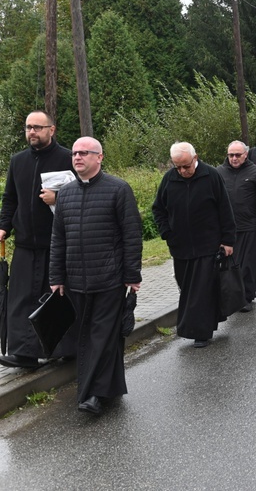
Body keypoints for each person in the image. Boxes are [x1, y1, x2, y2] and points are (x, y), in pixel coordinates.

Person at [49, 137, 142, 414]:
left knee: (100, 336)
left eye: (84, 153)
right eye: (75, 153)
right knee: (95, 336)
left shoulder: (118, 189)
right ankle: (109, 389)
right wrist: (57, 277)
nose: (77, 157)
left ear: (99, 157)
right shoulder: (64, 193)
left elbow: (131, 235)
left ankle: (91, 395)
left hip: (109, 279)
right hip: (76, 281)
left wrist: (131, 274)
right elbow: (58, 239)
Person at [0, 110, 77, 369]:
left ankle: (65, 350)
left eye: (38, 127)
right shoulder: (18, 161)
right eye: (28, 127)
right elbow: (10, 198)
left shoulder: (68, 158)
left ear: (51, 130)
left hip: (57, 244)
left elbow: (86, 193)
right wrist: (3, 227)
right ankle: (24, 353)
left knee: (57, 298)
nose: (32, 132)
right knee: (20, 299)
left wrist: (59, 200)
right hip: (24, 244)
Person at [153, 142, 236, 348]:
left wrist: (228, 240)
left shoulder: (211, 176)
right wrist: (167, 233)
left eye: (186, 166)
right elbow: (158, 209)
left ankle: (201, 332)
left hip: (208, 244)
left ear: (195, 158)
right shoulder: (169, 179)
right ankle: (205, 322)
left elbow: (225, 208)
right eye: (177, 167)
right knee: (186, 288)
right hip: (180, 246)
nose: (182, 171)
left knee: (202, 290)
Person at [217, 140, 256, 310]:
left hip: (249, 226)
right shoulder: (219, 172)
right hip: (226, 228)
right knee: (227, 265)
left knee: (246, 264)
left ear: (245, 154)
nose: (234, 158)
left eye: (237, 155)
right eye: (231, 155)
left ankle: (246, 296)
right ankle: (230, 296)